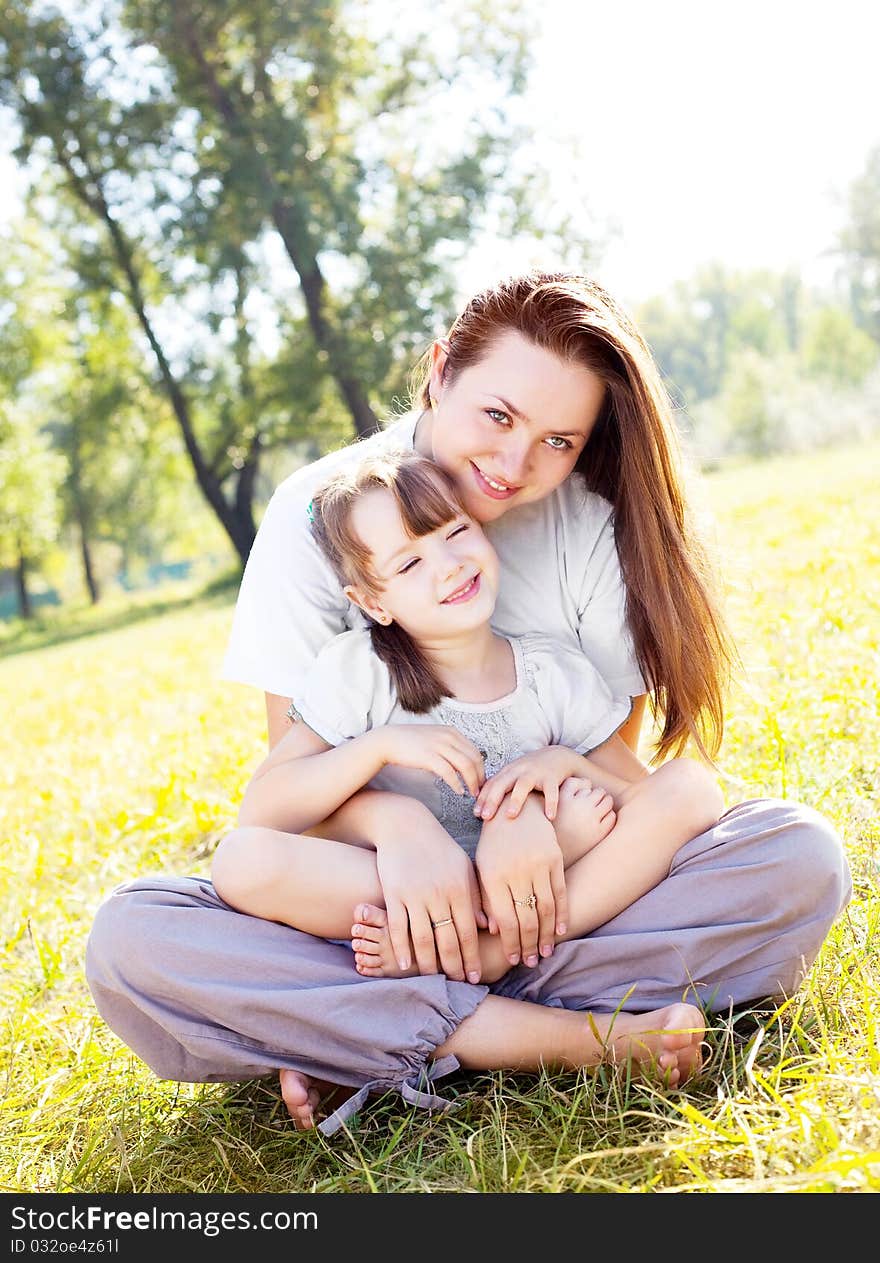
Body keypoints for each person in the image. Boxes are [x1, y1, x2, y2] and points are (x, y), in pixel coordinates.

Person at [85, 271, 852, 1135]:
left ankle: (370, 1032)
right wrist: (403, 830)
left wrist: (528, 811)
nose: (515, 466)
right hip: (381, 903)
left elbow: (616, 790)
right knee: (133, 938)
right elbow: (291, 809)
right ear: (441, 369)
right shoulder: (323, 518)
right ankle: (544, 1029)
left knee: (798, 856)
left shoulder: (586, 532)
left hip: (536, 900)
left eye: (559, 440)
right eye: (498, 415)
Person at [211, 450, 724, 1016]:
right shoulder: (359, 671)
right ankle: (485, 947)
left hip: (541, 887)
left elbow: (643, 799)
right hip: (403, 894)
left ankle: (493, 949)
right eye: (408, 565)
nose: (448, 566)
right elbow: (264, 811)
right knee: (241, 861)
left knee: (691, 786)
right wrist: (378, 747)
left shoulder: (551, 674)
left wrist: (562, 764)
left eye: (455, 531)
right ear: (372, 601)